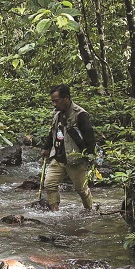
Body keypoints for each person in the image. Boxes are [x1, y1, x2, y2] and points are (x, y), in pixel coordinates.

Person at [40, 84, 95, 212]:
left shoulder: (80, 115)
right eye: (52, 101)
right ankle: (55, 212)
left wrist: (90, 158)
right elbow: (52, 132)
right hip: (58, 156)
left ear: (66, 98)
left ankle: (89, 209)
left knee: (81, 189)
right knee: (50, 184)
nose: (54, 104)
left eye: (56, 101)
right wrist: (46, 147)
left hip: (74, 158)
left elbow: (90, 139)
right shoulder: (56, 114)